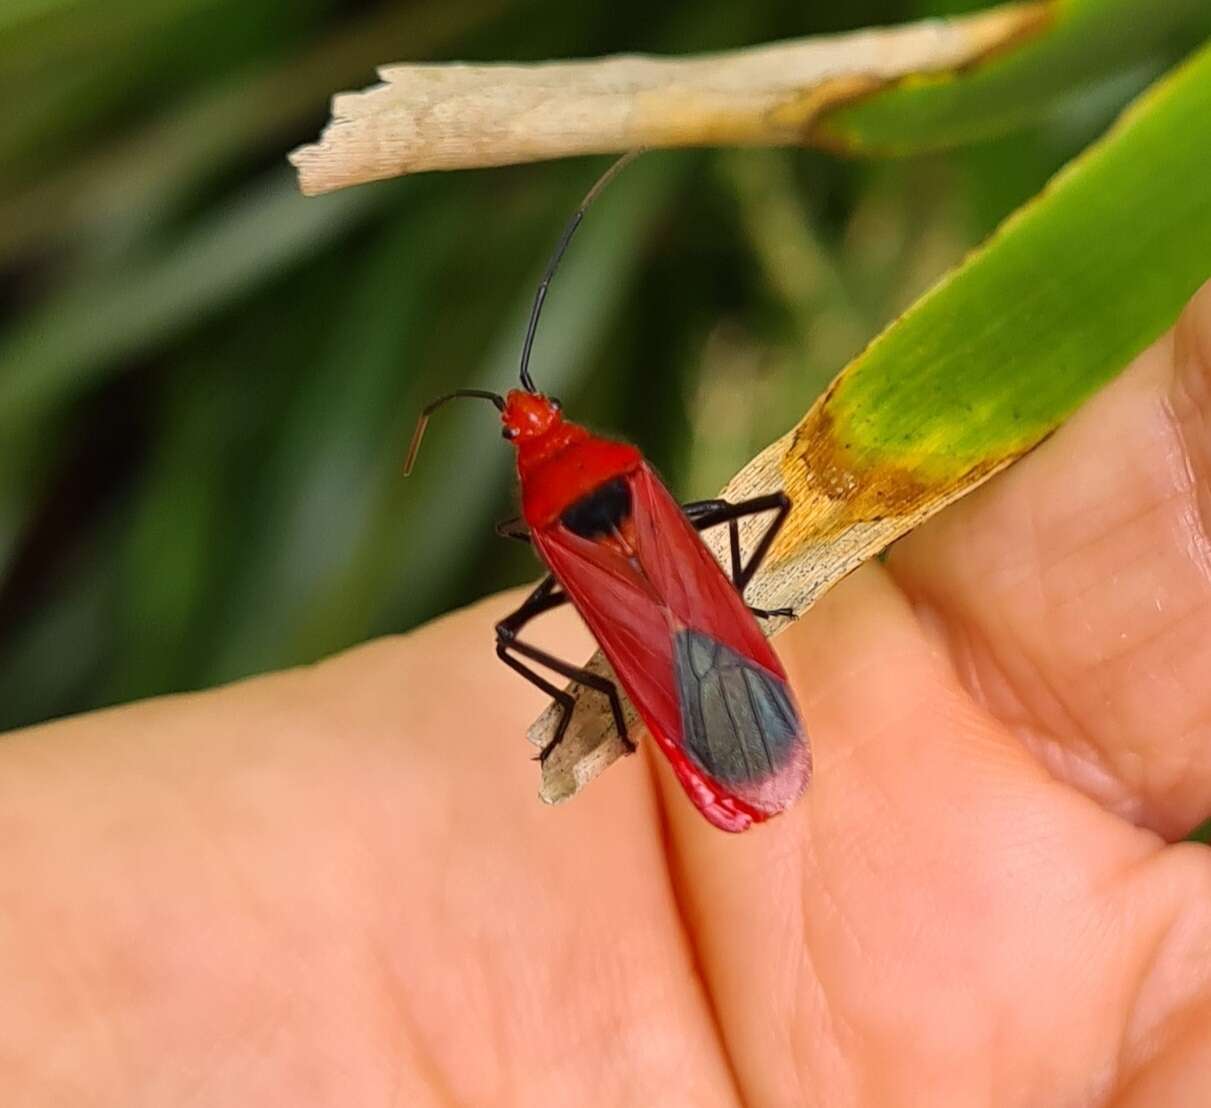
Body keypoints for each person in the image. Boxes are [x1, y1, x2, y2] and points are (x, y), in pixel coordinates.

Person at [3, 283, 1211, 1106]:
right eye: (532, 420)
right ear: (559, 439)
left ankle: (657, 702)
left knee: (516, 643)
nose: (534, 419)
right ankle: (698, 658)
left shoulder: (544, 511)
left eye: (533, 415)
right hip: (705, 600)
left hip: (656, 647)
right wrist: (709, 600)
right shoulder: (616, 467)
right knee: (741, 531)